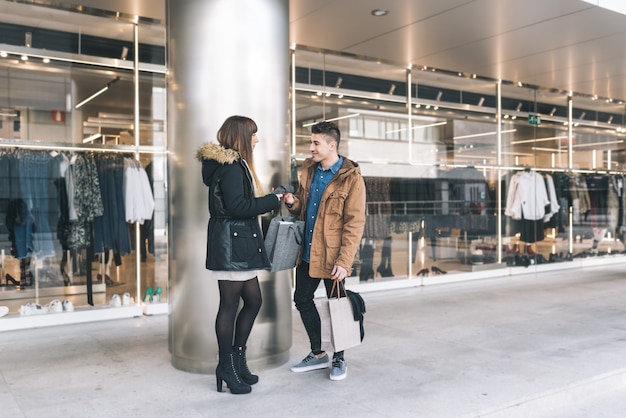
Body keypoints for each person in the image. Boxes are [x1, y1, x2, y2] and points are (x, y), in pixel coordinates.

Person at [196, 115, 282, 395]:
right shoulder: (232, 165)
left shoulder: (232, 163)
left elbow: (238, 205)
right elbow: (237, 207)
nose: (257, 139)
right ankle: (226, 366)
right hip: (231, 246)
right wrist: (273, 201)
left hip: (237, 244)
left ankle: (236, 359)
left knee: (253, 300)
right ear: (242, 136)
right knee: (230, 306)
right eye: (254, 134)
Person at [283, 121, 366, 381]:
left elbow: (355, 223)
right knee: (302, 300)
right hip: (308, 253)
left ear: (333, 145)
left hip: (333, 258)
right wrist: (292, 202)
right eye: (311, 143)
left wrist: (345, 261)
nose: (311, 148)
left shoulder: (351, 178)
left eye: (316, 143)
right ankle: (319, 353)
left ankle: (339, 358)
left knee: (337, 306)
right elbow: (304, 206)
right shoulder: (309, 170)